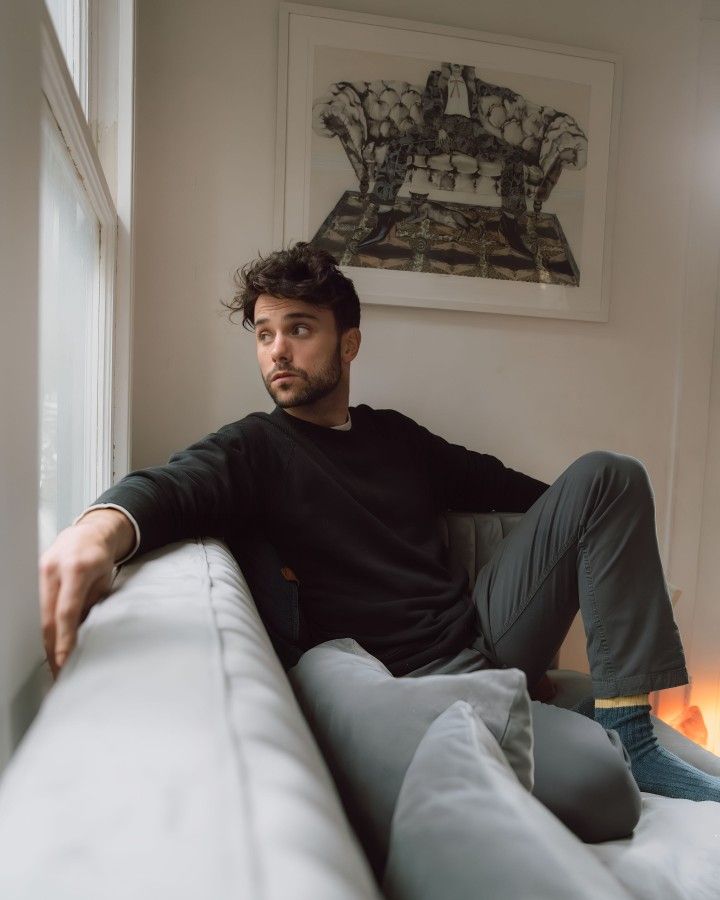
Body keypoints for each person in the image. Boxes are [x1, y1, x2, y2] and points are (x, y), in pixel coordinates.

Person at [39, 242, 719, 844]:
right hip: (405, 683)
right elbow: (173, 485)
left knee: (610, 475)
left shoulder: (395, 437)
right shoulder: (254, 447)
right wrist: (97, 530)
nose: (277, 350)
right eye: (265, 333)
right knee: (601, 792)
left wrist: (588, 564)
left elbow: (538, 496)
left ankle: (631, 726)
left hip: (486, 632)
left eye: (299, 330)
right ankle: (601, 735)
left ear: (349, 344)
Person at [358, 62, 534, 254]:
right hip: (438, 131)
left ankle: (508, 225)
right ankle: (384, 219)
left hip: (468, 132)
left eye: (461, 63)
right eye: (454, 63)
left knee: (513, 156)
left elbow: (497, 91)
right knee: (398, 144)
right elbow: (429, 108)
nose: (458, 65)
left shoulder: (473, 82)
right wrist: (440, 127)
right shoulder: (436, 78)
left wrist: (514, 98)